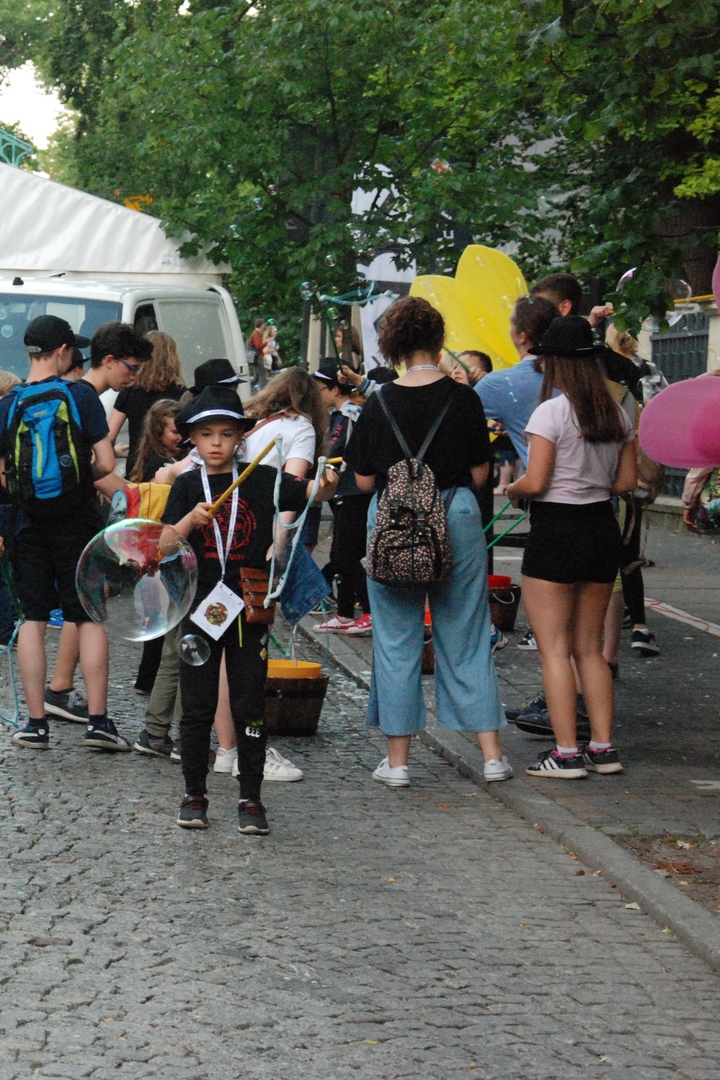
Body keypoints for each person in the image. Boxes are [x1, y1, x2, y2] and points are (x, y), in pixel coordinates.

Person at [344, 296, 512, 786]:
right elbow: (480, 475)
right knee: (467, 632)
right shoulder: (465, 399)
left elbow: (365, 480)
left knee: (396, 640)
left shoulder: (378, 403)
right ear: (440, 342)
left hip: (392, 520)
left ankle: (397, 764)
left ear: (392, 347)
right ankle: (492, 756)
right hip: (455, 513)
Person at [160, 385, 338, 831]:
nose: (216, 443)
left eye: (226, 433)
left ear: (241, 437)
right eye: (206, 435)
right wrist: (188, 521)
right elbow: (161, 545)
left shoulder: (262, 479)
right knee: (197, 705)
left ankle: (251, 799)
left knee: (249, 703)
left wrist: (327, 481)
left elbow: (313, 492)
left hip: (248, 605)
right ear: (193, 440)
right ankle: (194, 794)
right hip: (199, 606)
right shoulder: (186, 485)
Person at [506, 317, 638, 779]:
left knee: (554, 649)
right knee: (590, 648)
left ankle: (565, 754)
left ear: (557, 363)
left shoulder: (551, 413)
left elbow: (536, 481)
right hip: (601, 528)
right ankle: (603, 748)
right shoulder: (617, 414)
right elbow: (626, 481)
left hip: (556, 529)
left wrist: (513, 489)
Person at [0, 315, 129, 752]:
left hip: (27, 525)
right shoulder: (81, 396)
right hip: (78, 523)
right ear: (62, 351)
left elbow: (3, 478)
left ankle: (36, 725)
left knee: (33, 620)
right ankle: (98, 724)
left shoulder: (8, 404)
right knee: (87, 617)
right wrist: (74, 481)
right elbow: (106, 464)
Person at [43, 322, 153, 724]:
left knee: (84, 603)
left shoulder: (72, 393)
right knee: (86, 606)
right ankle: (79, 704)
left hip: (62, 516)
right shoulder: (84, 397)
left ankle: (59, 688)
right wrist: (142, 503)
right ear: (108, 360)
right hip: (76, 518)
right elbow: (96, 469)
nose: (133, 377)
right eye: (131, 367)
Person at [312, 359, 372, 635]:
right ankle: (345, 613)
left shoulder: (350, 415)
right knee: (340, 553)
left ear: (335, 389)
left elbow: (335, 451)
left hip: (353, 492)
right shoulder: (337, 416)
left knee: (348, 555)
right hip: (342, 492)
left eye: (320, 389)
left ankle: (370, 611)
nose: (318, 395)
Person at [108, 331, 185, 477]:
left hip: (137, 467)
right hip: (171, 467)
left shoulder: (129, 391)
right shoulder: (181, 393)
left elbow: (110, 435)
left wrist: (111, 454)